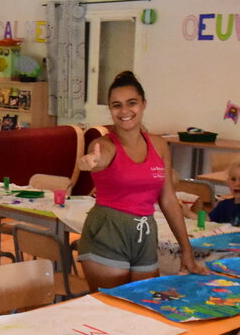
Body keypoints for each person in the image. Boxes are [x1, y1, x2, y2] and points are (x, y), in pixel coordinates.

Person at [75, 71, 203, 291]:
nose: (124, 111)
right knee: (113, 308)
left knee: (144, 306)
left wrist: (187, 250)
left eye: (131, 103)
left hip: (145, 234)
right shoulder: (103, 144)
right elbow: (101, 156)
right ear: (110, 109)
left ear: (143, 104)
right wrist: (93, 160)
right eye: (116, 105)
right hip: (108, 231)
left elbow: (169, 200)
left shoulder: (159, 146)